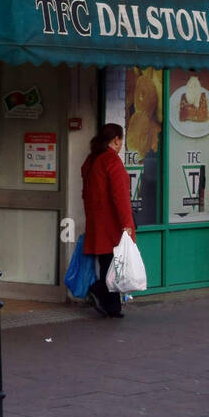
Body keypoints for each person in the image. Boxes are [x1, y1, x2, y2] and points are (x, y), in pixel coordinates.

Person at [81, 122, 136, 318]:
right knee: (113, 267)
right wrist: (127, 226)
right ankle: (102, 295)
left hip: (96, 222)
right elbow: (120, 198)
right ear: (116, 140)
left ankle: (111, 307)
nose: (121, 144)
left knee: (107, 265)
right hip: (111, 224)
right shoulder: (111, 161)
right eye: (121, 140)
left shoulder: (92, 160)